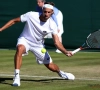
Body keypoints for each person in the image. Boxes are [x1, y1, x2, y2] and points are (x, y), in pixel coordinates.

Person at [0, 4, 75, 86]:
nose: (46, 14)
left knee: (50, 66)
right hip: (25, 40)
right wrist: (0, 29)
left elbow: (57, 42)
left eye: (48, 12)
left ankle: (61, 73)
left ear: (52, 13)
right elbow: (14, 21)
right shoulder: (31, 15)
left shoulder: (52, 25)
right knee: (20, 48)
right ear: (42, 11)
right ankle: (17, 76)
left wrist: (65, 51)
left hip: (38, 45)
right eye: (45, 12)